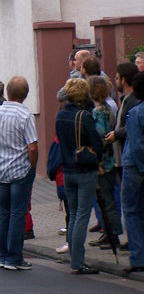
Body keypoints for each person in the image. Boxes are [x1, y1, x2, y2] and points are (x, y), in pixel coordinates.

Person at [0, 76, 38, 271]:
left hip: (1, 170)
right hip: (21, 171)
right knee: (18, 214)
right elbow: (33, 147)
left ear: (8, 92)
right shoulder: (25, 116)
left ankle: (2, 256)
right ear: (25, 94)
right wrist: (33, 166)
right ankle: (14, 257)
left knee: (4, 213)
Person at [56, 78, 103, 274]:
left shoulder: (60, 116)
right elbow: (97, 143)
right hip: (84, 170)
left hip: (67, 170)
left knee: (74, 215)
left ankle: (75, 259)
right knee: (83, 216)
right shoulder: (84, 116)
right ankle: (77, 261)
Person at [88, 76, 123, 249]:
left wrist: (98, 162)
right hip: (110, 160)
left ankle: (113, 235)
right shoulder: (108, 108)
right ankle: (111, 233)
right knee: (108, 200)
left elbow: (101, 137)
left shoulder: (98, 112)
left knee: (106, 201)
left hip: (104, 163)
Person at [121, 72, 144, 274]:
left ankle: (138, 257)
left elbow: (136, 145)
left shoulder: (136, 112)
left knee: (132, 211)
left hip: (135, 167)